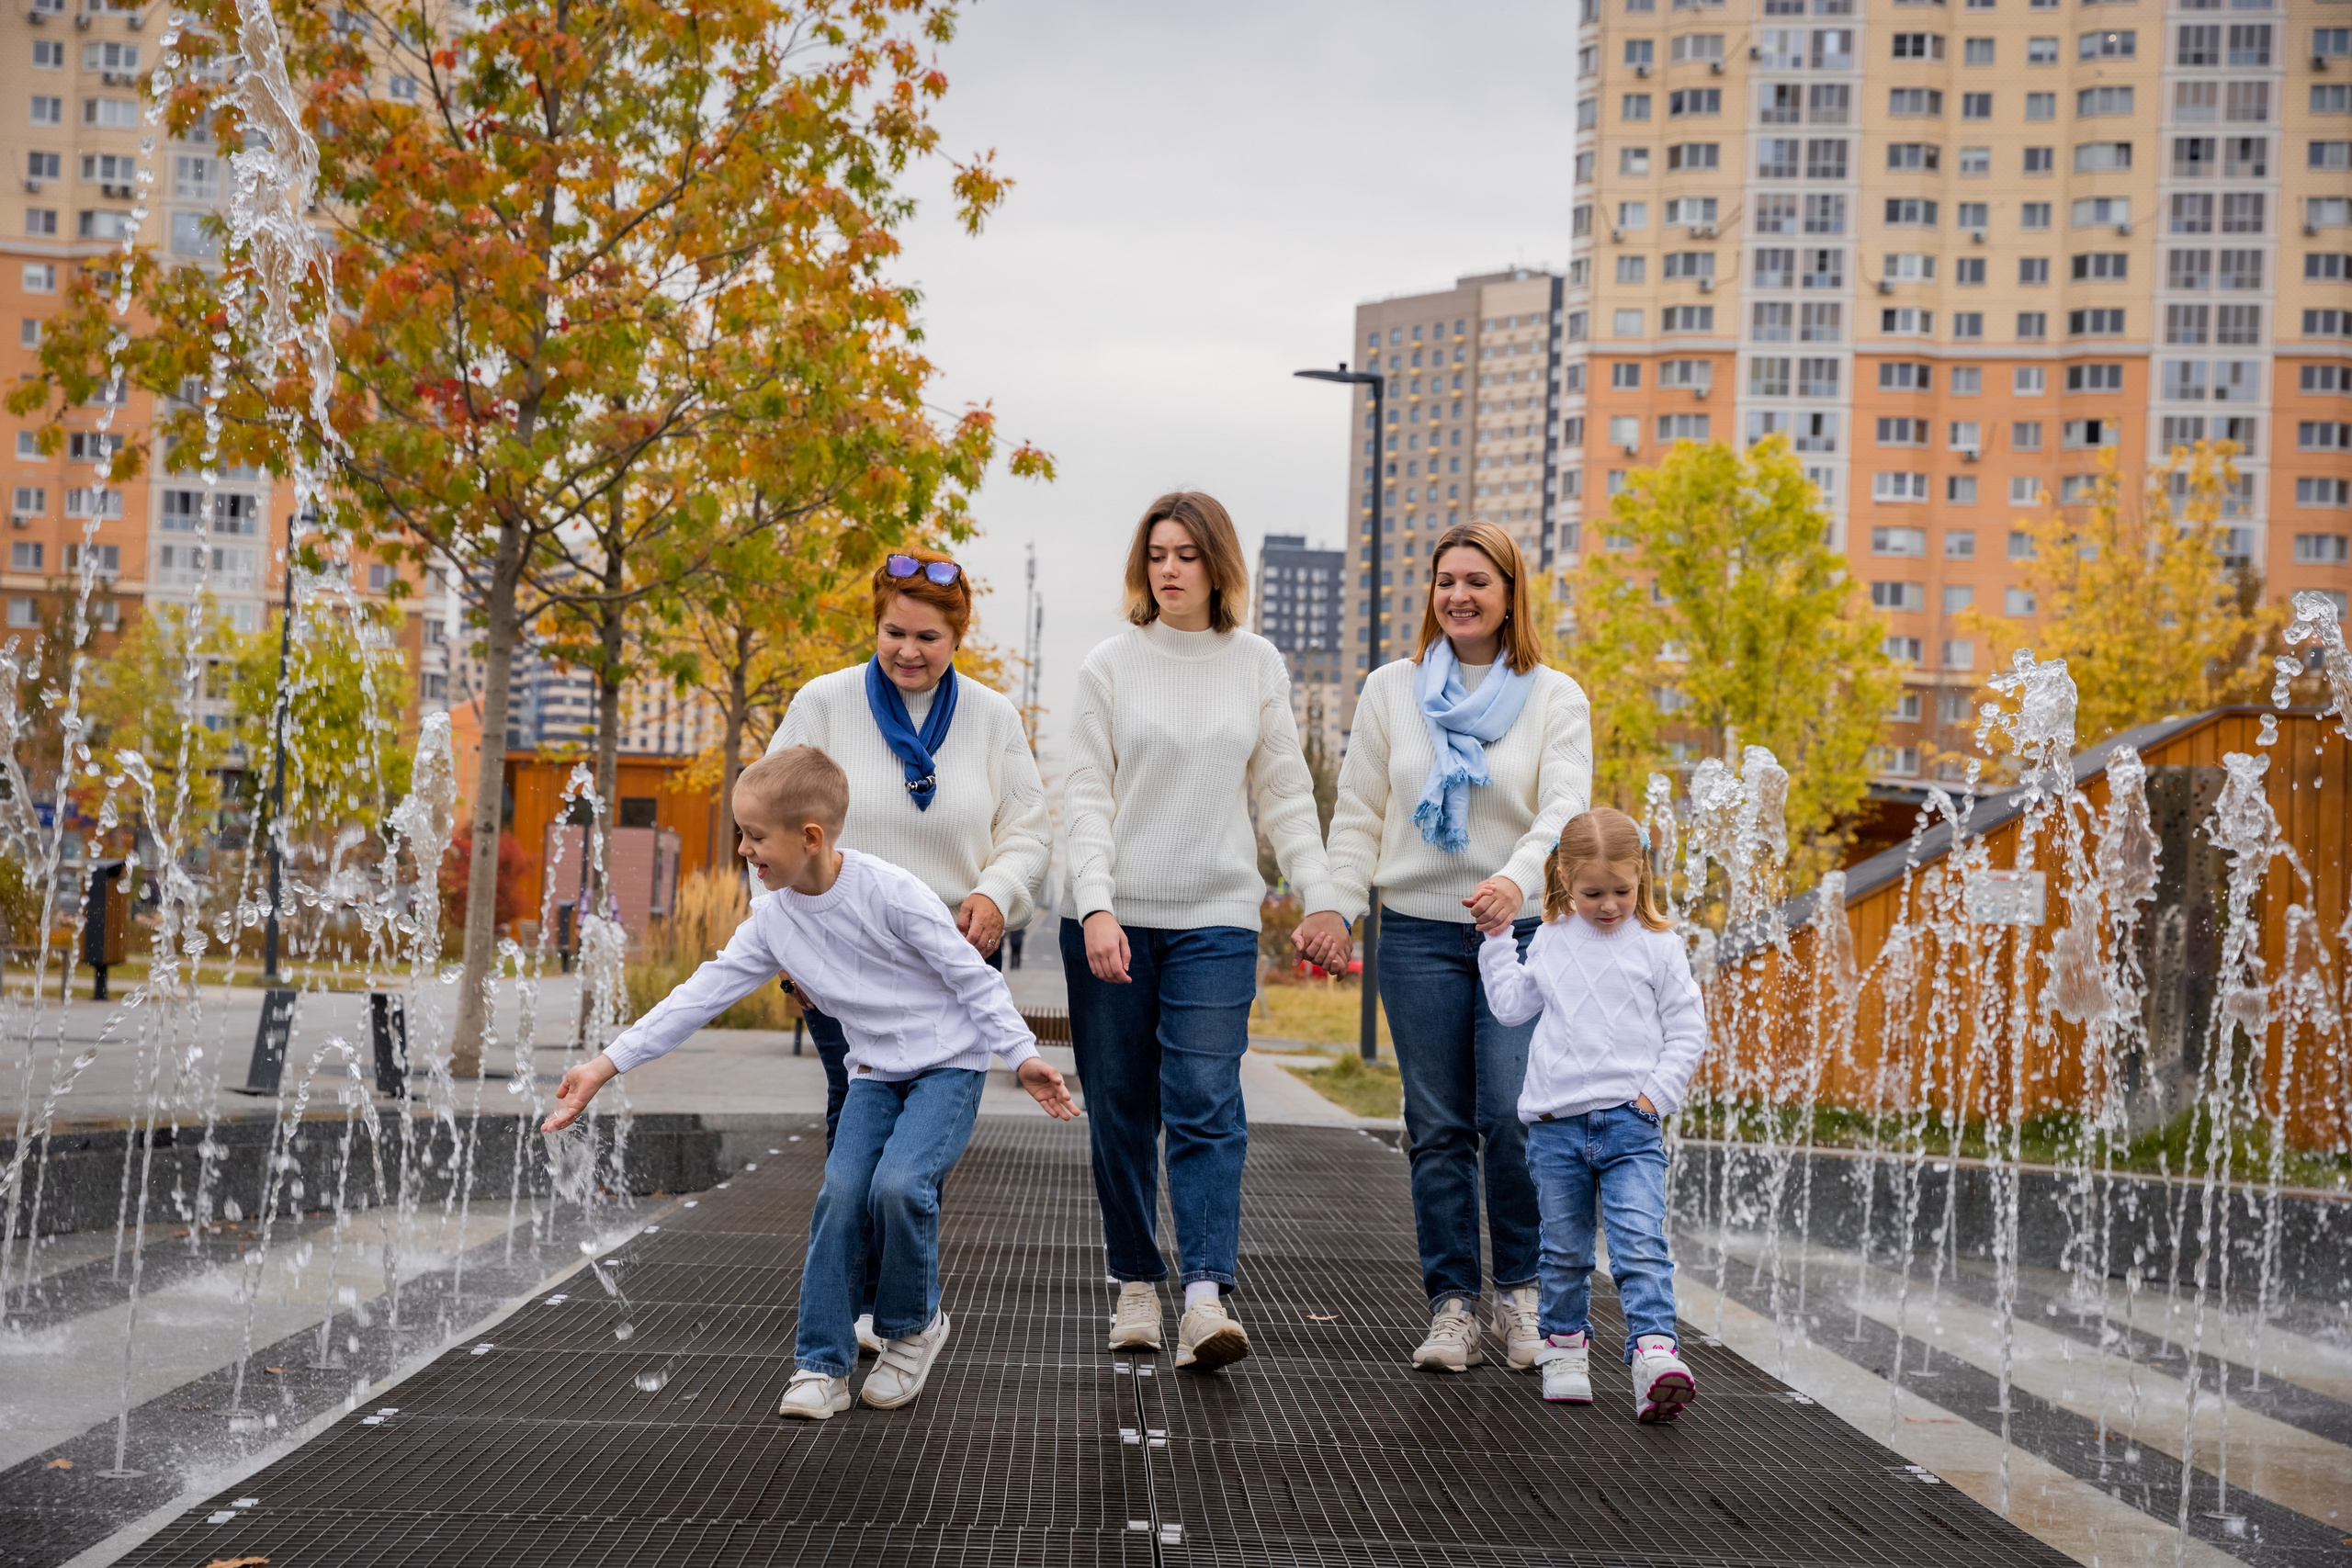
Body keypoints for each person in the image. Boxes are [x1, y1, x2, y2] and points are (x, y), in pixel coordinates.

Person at [543, 747, 1076, 1419]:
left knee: (900, 1185)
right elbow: (696, 996)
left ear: (812, 837)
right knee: (842, 1193)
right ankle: (821, 1365)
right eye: (742, 833)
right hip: (876, 1073)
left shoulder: (890, 891)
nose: (743, 849)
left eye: (756, 836)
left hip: (949, 1064)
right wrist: (602, 1065)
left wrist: (1021, 1055)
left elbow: (972, 976)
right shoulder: (773, 919)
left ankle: (912, 1327)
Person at [1063, 491, 1348, 1371]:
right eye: (1157, 554)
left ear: (1218, 564)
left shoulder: (1256, 663)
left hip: (1217, 916)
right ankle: (1139, 1281)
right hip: (1113, 917)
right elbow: (1084, 797)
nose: (1170, 569)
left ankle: (1204, 1295)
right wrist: (1097, 903)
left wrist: (1323, 894)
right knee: (1120, 1106)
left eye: (1187, 553)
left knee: (1206, 1098)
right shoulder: (1107, 666)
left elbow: (1286, 794)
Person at [1299, 520, 1591, 1374]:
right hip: (1419, 933)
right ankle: (1453, 1303)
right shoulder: (1392, 690)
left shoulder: (1553, 695)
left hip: (1520, 930)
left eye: (1478, 580)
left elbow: (1565, 810)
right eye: (1445, 579)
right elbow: (1358, 812)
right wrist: (1337, 906)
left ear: (1510, 596)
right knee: (1435, 1125)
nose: (1458, 594)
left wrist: (1516, 878)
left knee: (1510, 1114)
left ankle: (1522, 1296)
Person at [769, 547, 1051, 1349]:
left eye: (929, 636)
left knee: (913, 1154)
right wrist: (788, 940)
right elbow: (769, 823)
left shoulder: (993, 718)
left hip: (951, 960)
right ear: (876, 624)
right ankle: (865, 1305)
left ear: (958, 634)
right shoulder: (822, 706)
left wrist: (996, 893)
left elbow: (1027, 831)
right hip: (844, 957)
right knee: (851, 1118)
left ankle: (901, 1300)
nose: (909, 651)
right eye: (895, 631)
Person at [1474, 807, 1705, 1421]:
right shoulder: (1550, 935)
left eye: (1622, 891)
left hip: (1631, 1125)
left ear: (1642, 879)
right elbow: (1511, 1007)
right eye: (1592, 892)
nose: (1608, 905)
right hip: (1556, 1127)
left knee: (1640, 1244)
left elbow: (1687, 1030)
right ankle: (1565, 1349)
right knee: (1565, 1249)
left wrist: (1654, 1096)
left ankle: (1655, 1352)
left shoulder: (1658, 944)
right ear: (1564, 882)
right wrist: (1498, 941)